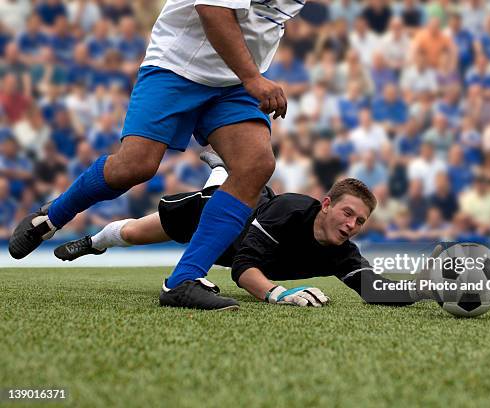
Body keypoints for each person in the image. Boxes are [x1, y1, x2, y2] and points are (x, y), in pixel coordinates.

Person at [9, 0, 299, 310]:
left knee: (255, 165)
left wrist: (250, 77)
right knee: (134, 166)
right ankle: (51, 217)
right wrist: (254, 78)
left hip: (234, 82)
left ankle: (183, 280)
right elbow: (212, 10)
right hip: (178, 66)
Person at [54, 152, 416, 309]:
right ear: (325, 204)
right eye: (348, 213)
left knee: (232, 185)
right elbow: (243, 269)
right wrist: (278, 294)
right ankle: (93, 241)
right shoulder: (292, 211)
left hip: (248, 216)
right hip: (210, 217)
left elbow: (374, 287)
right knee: (132, 234)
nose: (352, 225)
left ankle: (222, 169)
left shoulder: (341, 250)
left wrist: (435, 289)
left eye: (360, 222)